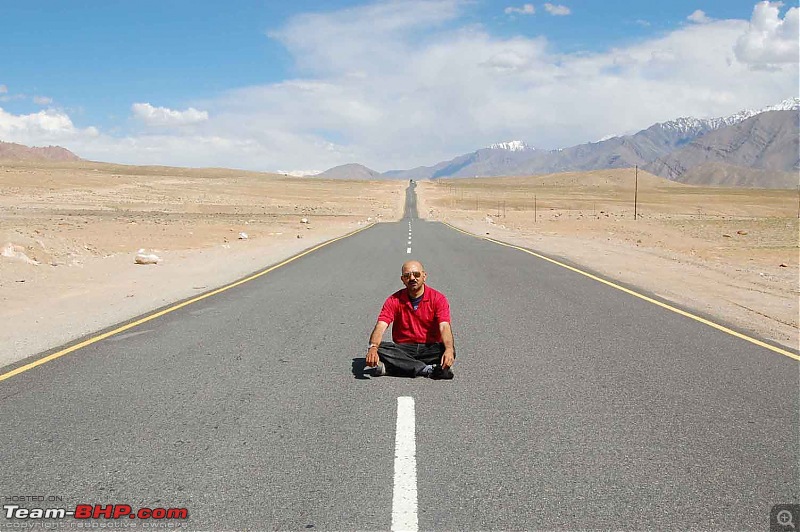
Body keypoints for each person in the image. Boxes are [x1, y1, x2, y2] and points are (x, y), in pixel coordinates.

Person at [365, 260, 455, 379]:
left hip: (430, 348)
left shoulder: (438, 298)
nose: (412, 278)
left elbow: (444, 326)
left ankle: (394, 368)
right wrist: (373, 347)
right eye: (407, 276)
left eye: (416, 274)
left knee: (449, 348)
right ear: (402, 279)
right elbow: (381, 325)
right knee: (380, 348)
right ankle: (427, 369)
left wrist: (448, 349)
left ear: (424, 276)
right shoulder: (394, 300)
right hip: (404, 348)